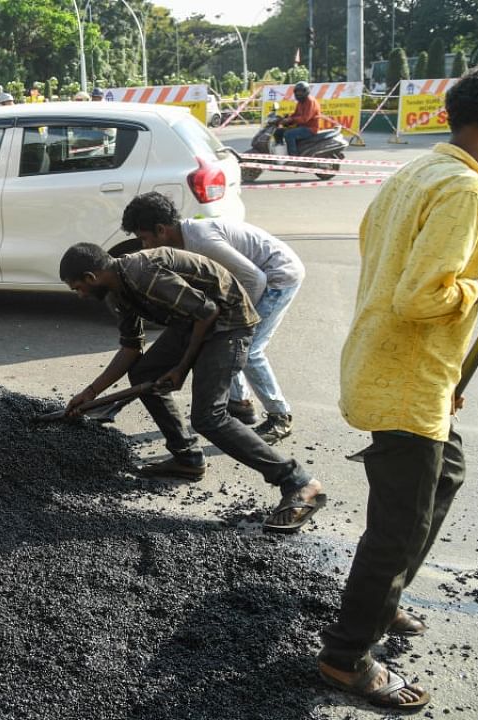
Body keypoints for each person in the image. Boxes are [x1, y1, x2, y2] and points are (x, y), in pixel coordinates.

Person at [317, 61, 478, 712]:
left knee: (446, 474)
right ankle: (346, 658)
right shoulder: (463, 188)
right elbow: (421, 297)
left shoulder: (417, 170)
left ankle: (389, 596)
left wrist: (445, 370)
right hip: (405, 378)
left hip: (397, 367)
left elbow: (383, 260)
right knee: (397, 527)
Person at [59, 243, 325, 533]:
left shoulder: (142, 273)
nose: (80, 295)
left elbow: (208, 311)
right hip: (191, 322)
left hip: (227, 322)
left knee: (209, 417)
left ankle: (298, 481)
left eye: (78, 288)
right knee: (144, 372)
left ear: (90, 276)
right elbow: (131, 347)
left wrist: (182, 367)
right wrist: (91, 393)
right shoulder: (116, 294)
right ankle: (187, 457)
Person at [122, 192, 305, 443]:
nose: (144, 247)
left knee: (247, 348)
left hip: (277, 276)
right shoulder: (182, 240)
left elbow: (255, 279)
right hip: (255, 279)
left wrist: (239, 319)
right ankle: (239, 403)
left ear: (161, 230)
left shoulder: (202, 240)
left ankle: (280, 416)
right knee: (228, 340)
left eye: (144, 239)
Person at [280, 81, 322, 156]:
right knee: (280, 131)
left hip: (310, 128)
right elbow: (295, 114)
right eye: (297, 92)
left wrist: (291, 120)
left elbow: (305, 118)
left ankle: (294, 157)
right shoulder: (300, 102)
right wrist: (286, 119)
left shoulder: (310, 101)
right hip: (302, 126)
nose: (299, 94)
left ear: (306, 91)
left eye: (301, 92)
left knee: (289, 134)